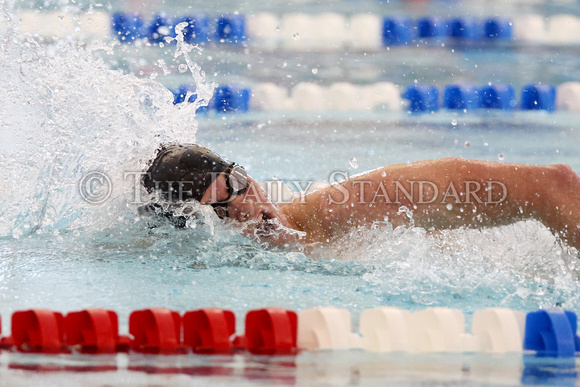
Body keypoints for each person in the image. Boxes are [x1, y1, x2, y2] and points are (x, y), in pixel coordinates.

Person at [142, 144, 580, 250]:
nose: (243, 205)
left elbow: (554, 185)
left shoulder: (355, 202)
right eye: (218, 209)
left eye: (236, 185)